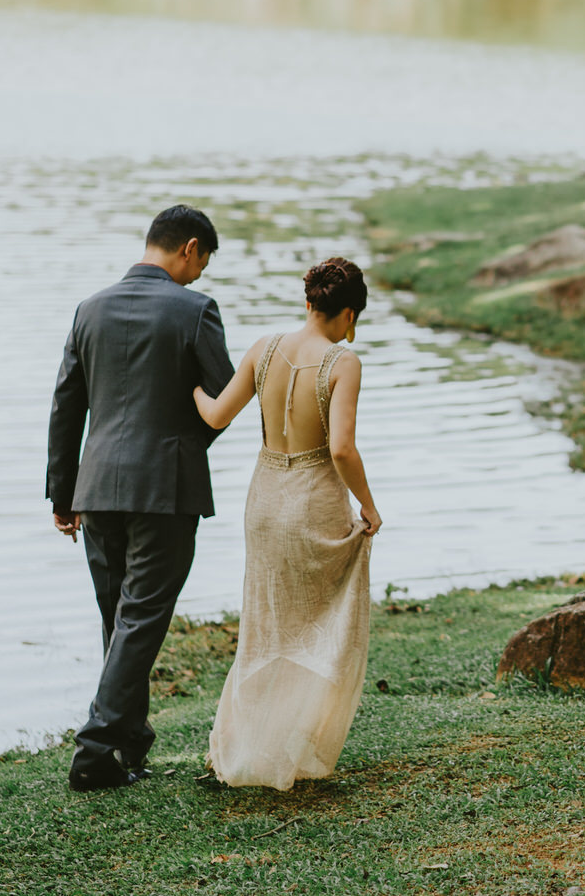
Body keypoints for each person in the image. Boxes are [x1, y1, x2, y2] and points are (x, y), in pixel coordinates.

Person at [47, 204, 234, 792]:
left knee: (119, 618)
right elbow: (223, 398)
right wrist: (182, 443)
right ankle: (94, 749)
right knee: (141, 618)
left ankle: (128, 743)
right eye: (203, 261)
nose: (201, 274)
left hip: (96, 487)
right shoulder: (195, 310)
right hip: (164, 489)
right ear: (190, 248)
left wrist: (62, 493)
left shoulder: (90, 308)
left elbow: (66, 405)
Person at [193, 257, 381, 790]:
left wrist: (192, 386)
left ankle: (233, 751)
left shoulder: (264, 348)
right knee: (323, 625)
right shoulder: (343, 362)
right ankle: (294, 746)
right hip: (314, 500)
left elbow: (215, 415)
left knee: (263, 626)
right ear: (347, 312)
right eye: (353, 318)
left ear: (307, 303)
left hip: (265, 500)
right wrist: (368, 505)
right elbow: (341, 449)